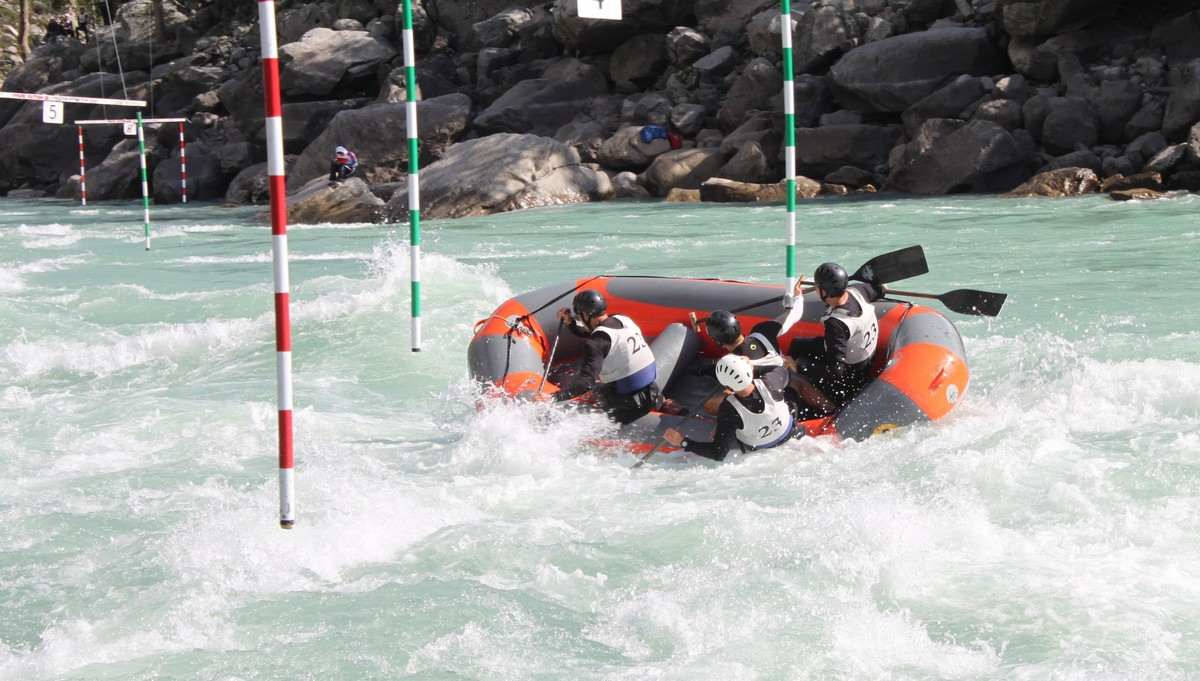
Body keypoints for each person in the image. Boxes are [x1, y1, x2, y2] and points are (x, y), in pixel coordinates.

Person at [531, 290, 661, 424]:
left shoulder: (594, 344)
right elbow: (596, 333)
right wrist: (570, 323)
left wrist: (551, 397)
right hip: (652, 389)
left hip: (629, 404)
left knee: (595, 389)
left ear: (586, 315)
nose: (579, 320)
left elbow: (586, 382)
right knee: (600, 384)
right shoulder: (622, 318)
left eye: (579, 317)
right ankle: (663, 402)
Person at [785, 261, 886, 410]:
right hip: (859, 356)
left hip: (850, 378)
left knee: (795, 377)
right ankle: (785, 370)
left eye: (817, 287)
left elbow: (835, 373)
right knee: (797, 344)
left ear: (824, 292)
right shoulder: (857, 291)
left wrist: (799, 368)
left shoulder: (836, 325)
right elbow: (882, 288)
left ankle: (829, 408)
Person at [663, 354, 801, 461]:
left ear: (728, 386)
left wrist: (683, 442)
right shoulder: (771, 382)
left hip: (758, 447)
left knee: (728, 420)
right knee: (787, 396)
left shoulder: (729, 409)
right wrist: (752, 365)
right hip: (788, 431)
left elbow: (718, 453)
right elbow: (780, 366)